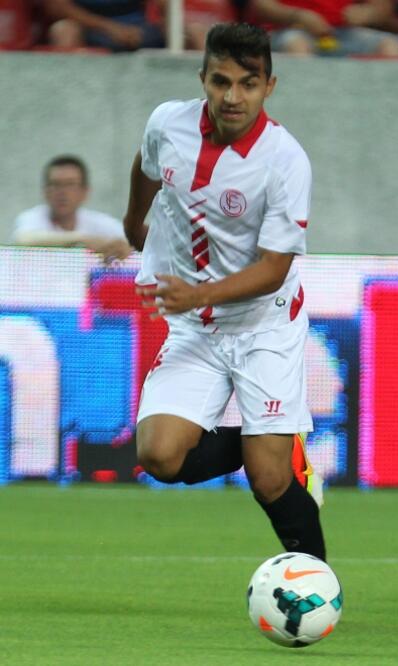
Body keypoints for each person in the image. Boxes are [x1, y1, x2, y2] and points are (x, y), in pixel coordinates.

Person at [121, 23, 326, 560]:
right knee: (159, 456)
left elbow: (275, 269)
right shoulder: (168, 122)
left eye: (248, 83)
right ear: (203, 79)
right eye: (221, 81)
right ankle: (268, 444)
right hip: (197, 329)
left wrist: (197, 294)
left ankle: (317, 585)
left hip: (265, 326)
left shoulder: (286, 161)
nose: (233, 96)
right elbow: (146, 165)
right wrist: (133, 220)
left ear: (269, 86)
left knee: (269, 480)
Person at [10, 155, 131, 263]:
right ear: (45, 191)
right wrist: (82, 239)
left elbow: (131, 240)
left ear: (85, 192)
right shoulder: (32, 217)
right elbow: (23, 240)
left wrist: (120, 247)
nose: (62, 192)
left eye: (70, 184)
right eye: (55, 184)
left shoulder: (99, 221)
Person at [250, 0, 398, 57]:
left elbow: (382, 7)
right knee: (297, 45)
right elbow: (261, 6)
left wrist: (367, 13)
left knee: (389, 45)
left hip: (342, 32)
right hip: (288, 30)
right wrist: (298, 16)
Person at [44, 0, 164, 52]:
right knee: (63, 30)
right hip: (90, 28)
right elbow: (57, 7)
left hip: (138, 29)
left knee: (173, 27)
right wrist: (109, 28)